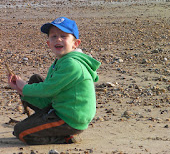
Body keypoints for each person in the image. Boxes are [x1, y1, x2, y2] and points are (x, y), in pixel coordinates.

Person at [7, 17, 101, 145]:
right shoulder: (61, 60)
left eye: (64, 36)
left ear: (75, 43)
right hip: (61, 106)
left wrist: (24, 88)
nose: (58, 39)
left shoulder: (72, 64)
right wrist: (19, 88)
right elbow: (49, 89)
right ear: (48, 43)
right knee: (35, 80)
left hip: (71, 119)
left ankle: (65, 137)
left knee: (21, 132)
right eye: (54, 36)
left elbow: (48, 89)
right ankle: (42, 121)